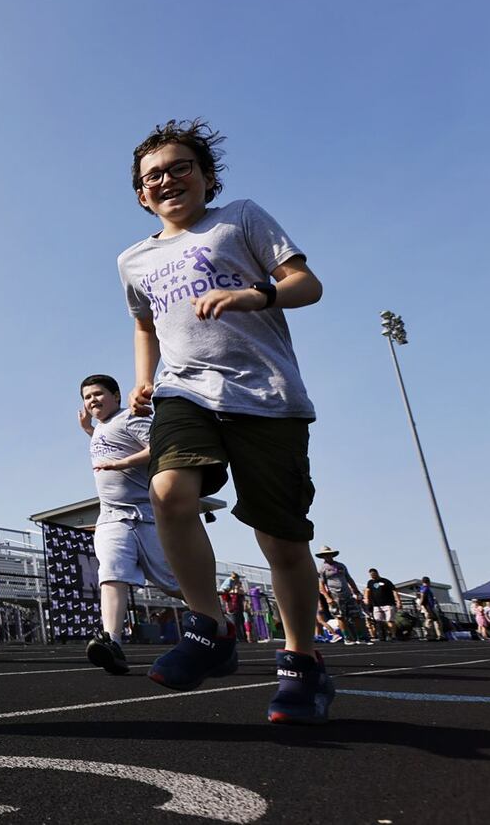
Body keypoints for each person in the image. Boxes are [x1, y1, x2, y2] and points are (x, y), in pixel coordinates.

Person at [118, 119, 334, 723]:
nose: (167, 180)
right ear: (141, 194)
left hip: (266, 396)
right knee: (169, 492)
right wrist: (143, 377)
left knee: (281, 541)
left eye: (180, 168)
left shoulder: (239, 218)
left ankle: (301, 663)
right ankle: (209, 629)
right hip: (183, 392)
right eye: (152, 176)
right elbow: (145, 323)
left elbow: (307, 285)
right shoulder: (132, 260)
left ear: (208, 179)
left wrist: (256, 294)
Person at [77, 373, 180, 675]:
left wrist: (121, 464)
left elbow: (161, 446)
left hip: (145, 517)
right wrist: (88, 429)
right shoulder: (100, 428)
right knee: (110, 572)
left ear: (117, 396)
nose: (92, 400)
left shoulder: (131, 418)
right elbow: (110, 441)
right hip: (111, 517)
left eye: (98, 394)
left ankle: (217, 623)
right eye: (87, 397)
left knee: (173, 584)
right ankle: (113, 642)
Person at [315, 547, 370, 644]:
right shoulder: (322, 568)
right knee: (340, 617)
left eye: (329, 554)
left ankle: (361, 637)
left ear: (332, 554)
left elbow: (349, 578)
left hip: (348, 594)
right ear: (322, 557)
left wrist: (356, 591)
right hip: (335, 595)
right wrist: (327, 598)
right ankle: (347, 638)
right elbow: (321, 585)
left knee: (356, 615)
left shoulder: (341, 566)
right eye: (325, 555)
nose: (327, 556)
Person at [363, 568, 397, 643]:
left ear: (376, 573)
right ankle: (384, 634)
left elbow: (394, 590)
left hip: (388, 603)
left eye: (373, 574)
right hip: (376, 605)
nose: (372, 576)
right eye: (371, 575)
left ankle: (393, 635)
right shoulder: (370, 582)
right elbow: (367, 590)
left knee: (390, 620)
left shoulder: (385, 581)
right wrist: (366, 599)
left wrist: (398, 601)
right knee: (378, 620)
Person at [219, 574, 250, 642]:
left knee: (240, 624)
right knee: (235, 624)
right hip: (232, 609)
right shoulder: (230, 587)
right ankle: (239, 638)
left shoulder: (239, 591)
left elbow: (242, 596)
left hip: (238, 609)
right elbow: (226, 598)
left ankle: (243, 638)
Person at [417, 577, 445, 641]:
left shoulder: (424, 588)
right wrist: (420, 605)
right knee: (430, 620)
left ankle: (438, 635)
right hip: (428, 607)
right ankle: (430, 635)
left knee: (435, 620)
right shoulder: (425, 588)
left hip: (429, 606)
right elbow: (422, 597)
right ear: (429, 582)